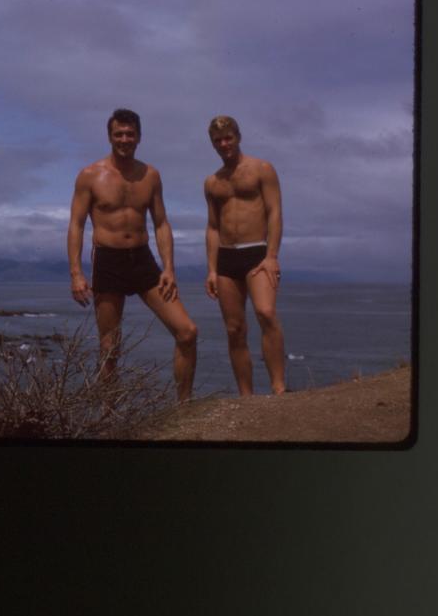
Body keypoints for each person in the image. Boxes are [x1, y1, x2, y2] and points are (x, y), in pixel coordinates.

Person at [67, 108, 198, 400]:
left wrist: (169, 269)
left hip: (142, 260)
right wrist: (76, 274)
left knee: (187, 331)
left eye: (130, 134)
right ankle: (108, 419)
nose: (124, 139)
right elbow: (76, 225)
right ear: (109, 136)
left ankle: (185, 410)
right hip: (108, 262)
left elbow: (161, 223)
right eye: (119, 134)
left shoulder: (150, 175)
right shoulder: (90, 176)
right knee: (110, 348)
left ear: (139, 137)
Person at [204, 115, 286, 395]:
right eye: (218, 140)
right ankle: (246, 397)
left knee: (266, 313)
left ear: (238, 137)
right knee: (234, 329)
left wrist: (272, 255)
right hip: (226, 258)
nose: (224, 144)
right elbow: (213, 227)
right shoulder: (212, 182)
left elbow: (275, 212)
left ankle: (278, 388)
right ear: (212, 144)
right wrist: (212, 270)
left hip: (257, 253)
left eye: (228, 137)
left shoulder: (262, 169)